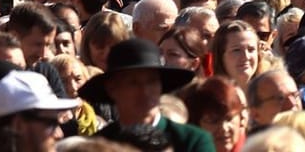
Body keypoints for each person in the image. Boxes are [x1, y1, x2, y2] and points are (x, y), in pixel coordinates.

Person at [81, 37, 211, 152]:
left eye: (152, 81)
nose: (145, 91)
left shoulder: (192, 140)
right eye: (133, 82)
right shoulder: (98, 146)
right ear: (112, 89)